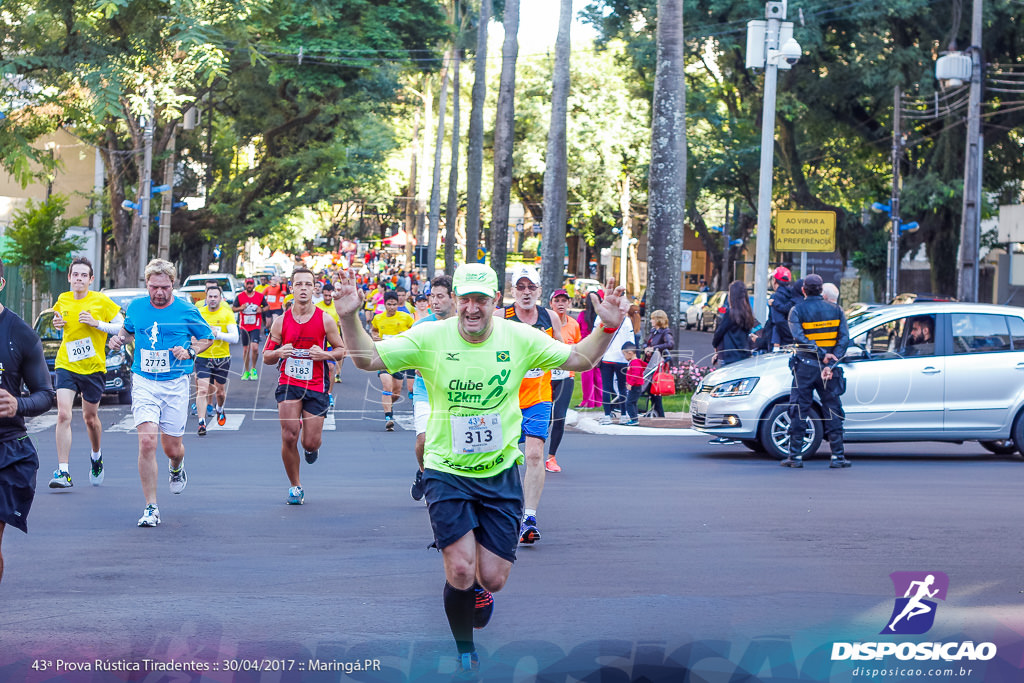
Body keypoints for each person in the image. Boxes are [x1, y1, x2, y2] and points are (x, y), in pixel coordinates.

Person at [333, 262, 628, 679]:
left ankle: (478, 591)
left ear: (495, 302)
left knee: (493, 578)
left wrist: (606, 327)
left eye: (481, 300)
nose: (473, 309)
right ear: (455, 300)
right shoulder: (430, 335)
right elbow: (368, 359)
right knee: (459, 568)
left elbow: (579, 358)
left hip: (500, 471)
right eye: (465, 299)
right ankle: (464, 649)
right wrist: (349, 316)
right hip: (446, 469)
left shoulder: (520, 337)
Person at [109, 259, 215, 527]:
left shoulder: (186, 310)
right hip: (144, 380)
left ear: (173, 285)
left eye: (164, 287)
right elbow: (129, 331)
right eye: (154, 287)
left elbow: (207, 337)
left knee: (172, 448)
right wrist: (118, 339)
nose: (159, 292)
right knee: (147, 442)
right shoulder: (136, 307)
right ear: (147, 284)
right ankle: (151, 507)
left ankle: (177, 466)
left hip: (175, 383)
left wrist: (190, 351)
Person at [263, 267, 346, 504]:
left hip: (316, 385)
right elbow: (267, 357)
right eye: (298, 284)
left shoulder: (325, 319)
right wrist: (279, 351)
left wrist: (324, 354)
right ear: (291, 288)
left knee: (310, 441)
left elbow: (342, 351)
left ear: (314, 289)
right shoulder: (280, 322)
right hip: (289, 382)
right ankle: (295, 486)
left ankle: (311, 449)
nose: (303, 289)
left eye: (308, 284)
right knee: (289, 436)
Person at [494, 265, 563, 545]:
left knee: (535, 454)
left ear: (539, 291)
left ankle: (529, 518)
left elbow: (561, 352)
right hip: (503, 397)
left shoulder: (550, 318)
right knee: (502, 457)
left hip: (538, 397)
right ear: (512, 291)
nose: (525, 292)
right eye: (520, 287)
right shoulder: (500, 317)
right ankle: (500, 509)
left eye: (530, 287)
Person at [0, 259, 56, 582]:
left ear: (2, 285)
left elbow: (45, 395)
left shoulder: (19, 334)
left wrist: (16, 404)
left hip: (7, 451)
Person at [50, 257, 122, 488]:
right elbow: (59, 320)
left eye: (84, 275)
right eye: (76, 274)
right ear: (69, 277)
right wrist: (56, 323)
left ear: (91, 279)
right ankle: (63, 472)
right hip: (66, 364)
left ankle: (96, 455)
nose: (79, 278)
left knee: (90, 419)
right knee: (63, 415)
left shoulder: (101, 301)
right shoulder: (62, 299)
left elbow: (122, 327)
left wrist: (96, 323)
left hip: (93, 368)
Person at [781, 274, 851, 469]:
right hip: (829, 370)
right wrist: (831, 360)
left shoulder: (796, 311)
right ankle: (837, 456)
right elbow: (844, 339)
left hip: (804, 367)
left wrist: (820, 354)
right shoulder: (837, 310)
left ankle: (795, 457)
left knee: (799, 409)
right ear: (821, 291)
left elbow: (799, 337)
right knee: (833, 409)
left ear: (803, 290)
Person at [410, 274, 455, 502]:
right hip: (425, 392)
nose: (435, 302)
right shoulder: (421, 326)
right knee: (424, 440)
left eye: (440, 296)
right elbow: (411, 360)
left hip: (456, 395)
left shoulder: (464, 325)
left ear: (453, 298)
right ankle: (423, 472)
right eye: (432, 297)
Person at [545, 289, 582, 473]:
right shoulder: (544, 323)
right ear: (551, 303)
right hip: (545, 377)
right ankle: (532, 451)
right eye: (557, 300)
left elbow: (576, 348)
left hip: (566, 377)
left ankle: (551, 457)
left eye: (564, 300)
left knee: (559, 417)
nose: (561, 303)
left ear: (568, 304)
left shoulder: (574, 325)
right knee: (543, 417)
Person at [195, 283, 239, 436]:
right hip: (203, 356)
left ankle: (219, 409)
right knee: (202, 389)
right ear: (205, 298)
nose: (212, 299)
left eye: (215, 297)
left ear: (221, 298)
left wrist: (217, 334)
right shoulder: (199, 313)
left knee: (220, 392)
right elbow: (190, 332)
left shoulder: (227, 314)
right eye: (210, 296)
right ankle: (201, 422)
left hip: (222, 358)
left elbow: (235, 338)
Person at [371, 290, 415, 431]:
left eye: (394, 304)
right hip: (383, 357)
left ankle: (389, 404)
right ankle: (388, 417)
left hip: (399, 360)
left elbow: (415, 332)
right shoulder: (378, 318)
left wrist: (407, 334)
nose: (392, 307)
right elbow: (373, 330)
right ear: (384, 304)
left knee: (396, 392)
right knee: (387, 387)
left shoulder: (406, 318)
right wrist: (375, 336)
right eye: (389, 304)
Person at [599, 303, 635, 425]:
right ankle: (624, 415)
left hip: (607, 357)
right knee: (622, 388)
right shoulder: (626, 321)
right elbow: (631, 340)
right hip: (622, 358)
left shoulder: (603, 318)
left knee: (606, 388)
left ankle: (607, 415)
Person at [712, 280, 756, 367]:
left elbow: (719, 333)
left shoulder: (730, 314)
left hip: (729, 356)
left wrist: (715, 345)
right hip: (744, 356)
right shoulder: (748, 313)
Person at [642, 310, 674, 418]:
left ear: (658, 320)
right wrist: (646, 347)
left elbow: (670, 344)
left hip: (657, 364)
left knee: (655, 390)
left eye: (652, 319)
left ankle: (660, 415)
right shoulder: (653, 331)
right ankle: (656, 412)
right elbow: (646, 341)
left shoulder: (665, 332)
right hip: (649, 362)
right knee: (651, 390)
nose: (651, 321)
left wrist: (654, 348)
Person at [234, 277, 267, 380]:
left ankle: (253, 369)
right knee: (245, 350)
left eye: (251, 284)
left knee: (255, 348)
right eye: (247, 284)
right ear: (245, 285)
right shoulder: (239, 297)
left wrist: (260, 309)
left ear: (253, 285)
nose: (249, 286)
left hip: (255, 325)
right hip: (244, 326)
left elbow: (267, 307)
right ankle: (247, 371)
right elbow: (234, 309)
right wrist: (241, 308)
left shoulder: (259, 296)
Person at [576, 294, 603, 408]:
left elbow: (578, 329)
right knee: (598, 375)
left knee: (587, 374)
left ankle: (588, 401)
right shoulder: (600, 316)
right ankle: (598, 401)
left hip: (586, 346)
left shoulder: (583, 315)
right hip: (598, 346)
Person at [768, 266, 798, 350]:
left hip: (780, 342)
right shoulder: (794, 295)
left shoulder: (775, 297)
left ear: (774, 281)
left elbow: (778, 321)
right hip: (795, 340)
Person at [621, 341, 644, 426]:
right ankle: (634, 419)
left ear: (630, 353)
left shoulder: (635, 363)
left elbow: (636, 374)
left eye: (624, 354)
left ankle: (634, 419)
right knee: (633, 402)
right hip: (636, 386)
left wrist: (630, 383)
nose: (624, 357)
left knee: (629, 403)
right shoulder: (636, 362)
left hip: (635, 386)